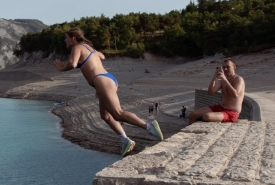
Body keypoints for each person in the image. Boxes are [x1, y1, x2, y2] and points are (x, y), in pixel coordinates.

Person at [54, 28, 163, 156]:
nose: (64, 40)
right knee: (105, 116)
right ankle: (125, 140)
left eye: (66, 37)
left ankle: (149, 126)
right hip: (106, 80)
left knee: (117, 113)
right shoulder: (88, 48)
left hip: (102, 82)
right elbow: (102, 56)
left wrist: (61, 68)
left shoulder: (77, 47)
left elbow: (72, 64)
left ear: (73, 38)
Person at [189, 58, 245, 124]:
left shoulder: (238, 79)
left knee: (207, 116)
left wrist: (225, 80)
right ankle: (187, 133)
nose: (225, 69)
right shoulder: (222, 80)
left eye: (228, 67)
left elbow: (235, 95)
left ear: (234, 67)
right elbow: (210, 92)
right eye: (224, 67)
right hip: (220, 107)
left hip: (231, 112)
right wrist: (214, 78)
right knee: (193, 114)